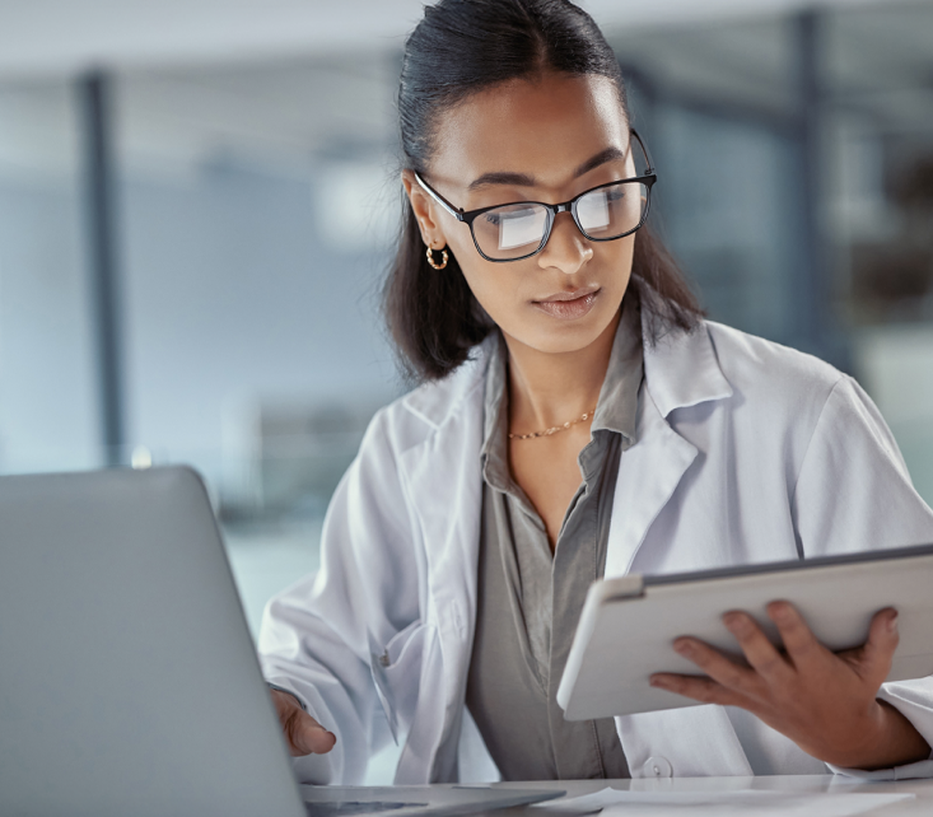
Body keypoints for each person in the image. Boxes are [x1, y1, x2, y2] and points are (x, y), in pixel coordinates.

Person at [259, 0, 933, 785]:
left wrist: (853, 733)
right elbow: (319, 666)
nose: (570, 253)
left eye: (601, 191)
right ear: (427, 214)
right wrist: (278, 701)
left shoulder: (800, 417)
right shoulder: (406, 453)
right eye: (509, 213)